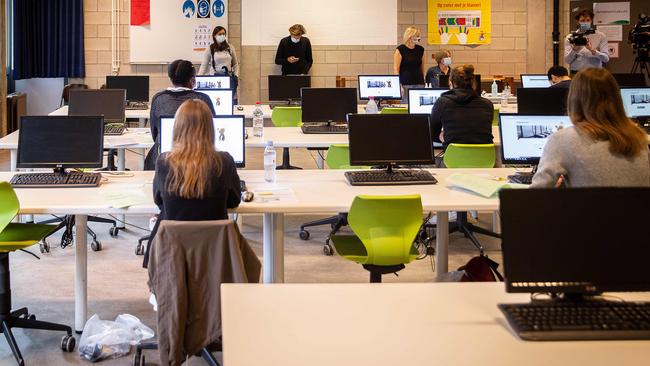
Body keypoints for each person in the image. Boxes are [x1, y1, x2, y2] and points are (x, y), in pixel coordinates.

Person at [144, 99, 242, 267]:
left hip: (171, 258)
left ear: (177, 128)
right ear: (210, 129)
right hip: (215, 258)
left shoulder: (164, 162)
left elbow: (159, 201)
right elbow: (234, 201)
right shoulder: (224, 161)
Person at [531, 68, 650, 188]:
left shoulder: (562, 140)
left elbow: (536, 195)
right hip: (637, 207)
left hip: (590, 207)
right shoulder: (640, 138)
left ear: (574, 100)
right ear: (617, 98)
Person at [144, 59, 216, 170]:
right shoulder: (202, 99)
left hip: (163, 159)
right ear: (193, 80)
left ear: (170, 78)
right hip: (198, 161)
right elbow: (211, 131)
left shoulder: (158, 98)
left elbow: (155, 133)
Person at [429, 65, 493, 151]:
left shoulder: (443, 102)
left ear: (451, 83)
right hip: (485, 161)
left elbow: (432, 133)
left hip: (453, 160)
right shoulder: (487, 104)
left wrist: (445, 137)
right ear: (473, 83)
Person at [198, 26, 240, 101]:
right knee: (217, 99)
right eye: (220, 34)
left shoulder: (230, 47)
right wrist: (198, 79)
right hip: (215, 78)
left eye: (224, 34)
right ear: (214, 35)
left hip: (228, 78)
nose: (222, 36)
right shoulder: (210, 48)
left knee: (230, 100)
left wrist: (236, 76)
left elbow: (235, 64)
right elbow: (204, 66)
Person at [564, 8, 609, 74]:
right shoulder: (570, 37)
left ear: (591, 21)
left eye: (588, 20)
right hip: (576, 73)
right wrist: (574, 50)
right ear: (578, 22)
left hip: (595, 73)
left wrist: (593, 51)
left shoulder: (601, 36)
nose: (585, 23)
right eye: (582, 20)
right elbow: (567, 60)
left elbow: (606, 59)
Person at [394, 26, 426, 102]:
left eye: (419, 36)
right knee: (405, 107)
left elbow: (423, 67)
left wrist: (423, 80)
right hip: (405, 83)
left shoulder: (421, 49)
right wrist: (398, 84)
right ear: (410, 36)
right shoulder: (400, 49)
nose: (419, 38)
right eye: (417, 36)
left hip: (419, 83)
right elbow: (396, 68)